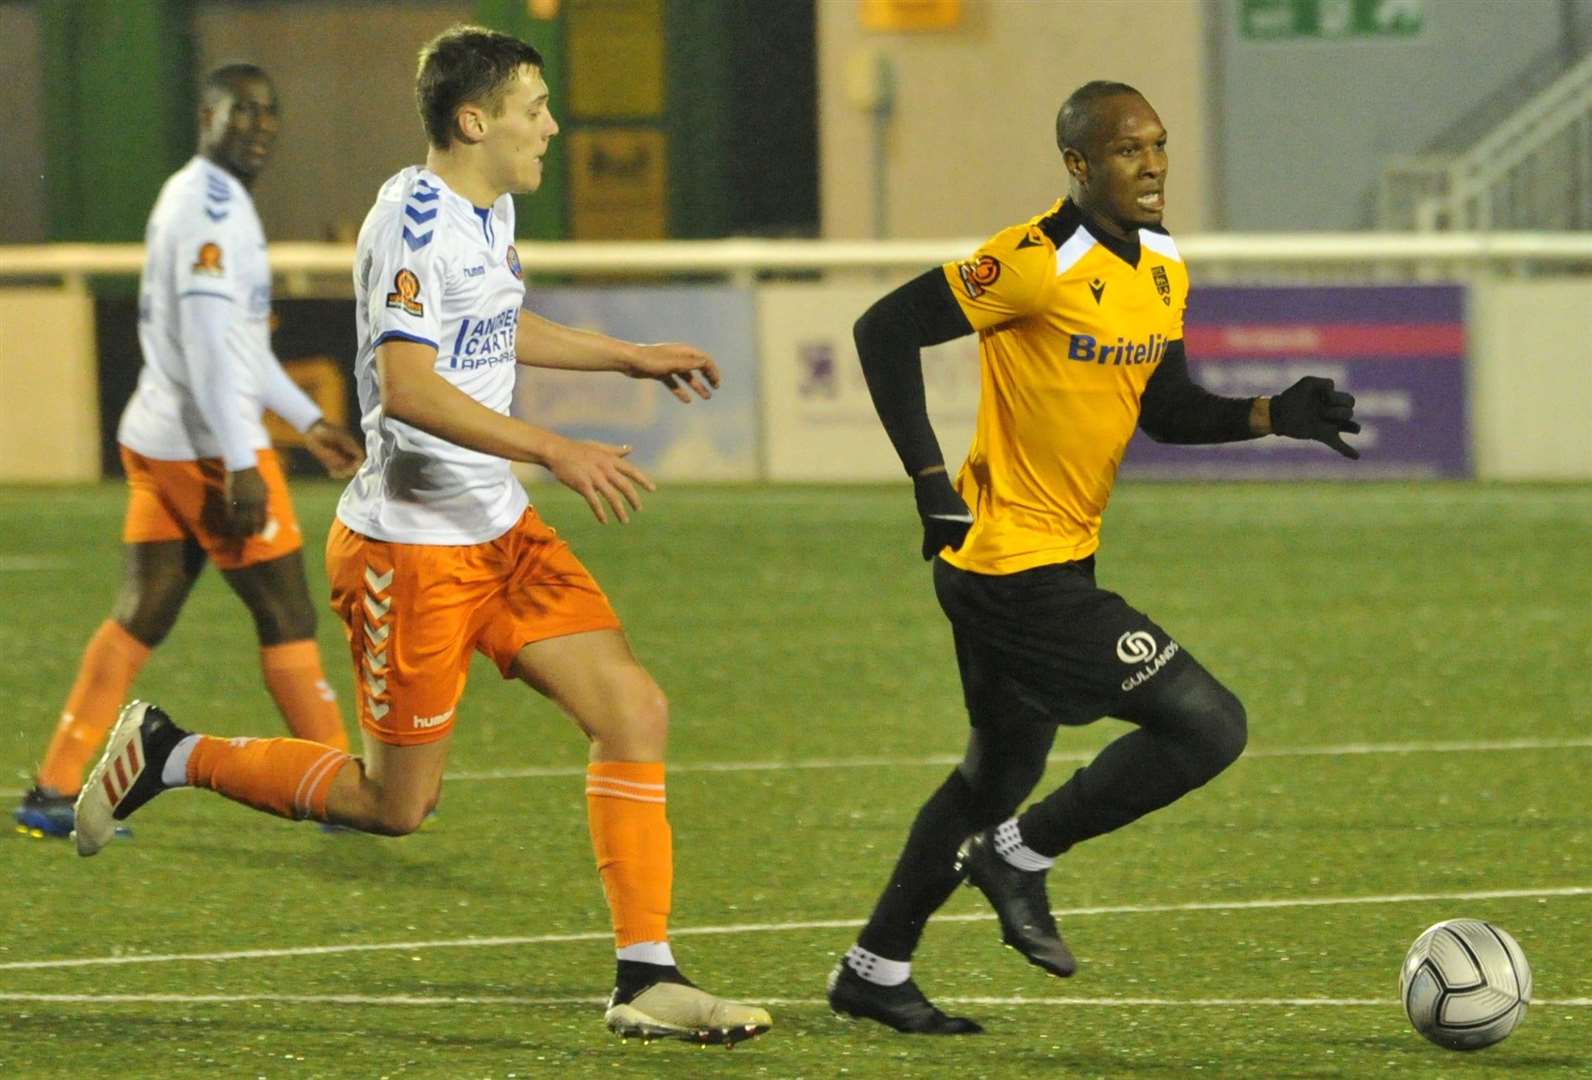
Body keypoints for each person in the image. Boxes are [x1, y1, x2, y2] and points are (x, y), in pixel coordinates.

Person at [72, 25, 771, 1048]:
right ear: (473, 119)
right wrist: (553, 446)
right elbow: (405, 390)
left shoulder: (491, 211)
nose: (551, 123)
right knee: (392, 806)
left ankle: (646, 977)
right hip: (409, 551)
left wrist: (624, 357)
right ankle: (168, 753)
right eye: (534, 106)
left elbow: (496, 320)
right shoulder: (409, 217)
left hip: (497, 532)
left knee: (633, 710)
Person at [826, 81, 1360, 1034]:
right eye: (1127, 150)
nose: (1152, 165)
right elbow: (884, 329)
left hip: (1056, 562)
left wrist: (1272, 413)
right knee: (1208, 726)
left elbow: (1164, 408)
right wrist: (927, 479)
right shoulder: (1033, 260)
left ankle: (874, 968)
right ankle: (1017, 857)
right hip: (1005, 568)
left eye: (1158, 146)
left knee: (992, 776)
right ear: (1078, 165)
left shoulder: (1161, 267)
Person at [13, 63, 364, 841]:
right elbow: (210, 345)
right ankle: (340, 787)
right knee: (288, 611)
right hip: (205, 447)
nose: (259, 126)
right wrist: (241, 457)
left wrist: (307, 420)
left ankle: (53, 788)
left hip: (159, 436)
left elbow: (236, 341)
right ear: (206, 115)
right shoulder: (210, 207)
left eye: (269, 114)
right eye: (242, 112)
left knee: (142, 613)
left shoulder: (209, 199)